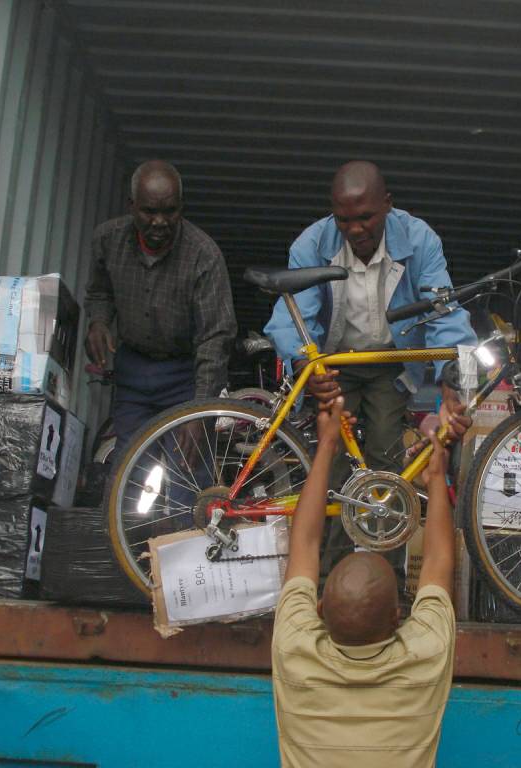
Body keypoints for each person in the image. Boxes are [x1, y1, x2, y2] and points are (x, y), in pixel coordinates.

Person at [263, 160, 475, 571]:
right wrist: (306, 367)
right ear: (333, 213)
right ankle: (330, 577)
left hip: (389, 364)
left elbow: (444, 313)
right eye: (344, 220)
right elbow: (293, 317)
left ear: (387, 205)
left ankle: (383, 578)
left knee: (385, 463)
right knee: (332, 467)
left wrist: (454, 382)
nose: (356, 229)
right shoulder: (312, 243)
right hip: (333, 364)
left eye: (366, 217)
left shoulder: (419, 239)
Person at [271, 397, 457, 768]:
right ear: (397, 618)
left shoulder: (294, 650)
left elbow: (304, 545)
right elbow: (438, 563)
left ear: (320, 610)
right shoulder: (427, 654)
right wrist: (437, 479)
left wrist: (327, 444)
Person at [84, 160, 237, 449]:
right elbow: (100, 292)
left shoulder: (204, 255)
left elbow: (216, 338)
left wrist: (199, 411)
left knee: (189, 466)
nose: (159, 221)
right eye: (149, 211)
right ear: (131, 206)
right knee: (130, 464)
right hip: (132, 372)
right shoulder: (107, 240)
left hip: (185, 376)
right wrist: (98, 321)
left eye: (170, 211)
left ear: (182, 207)